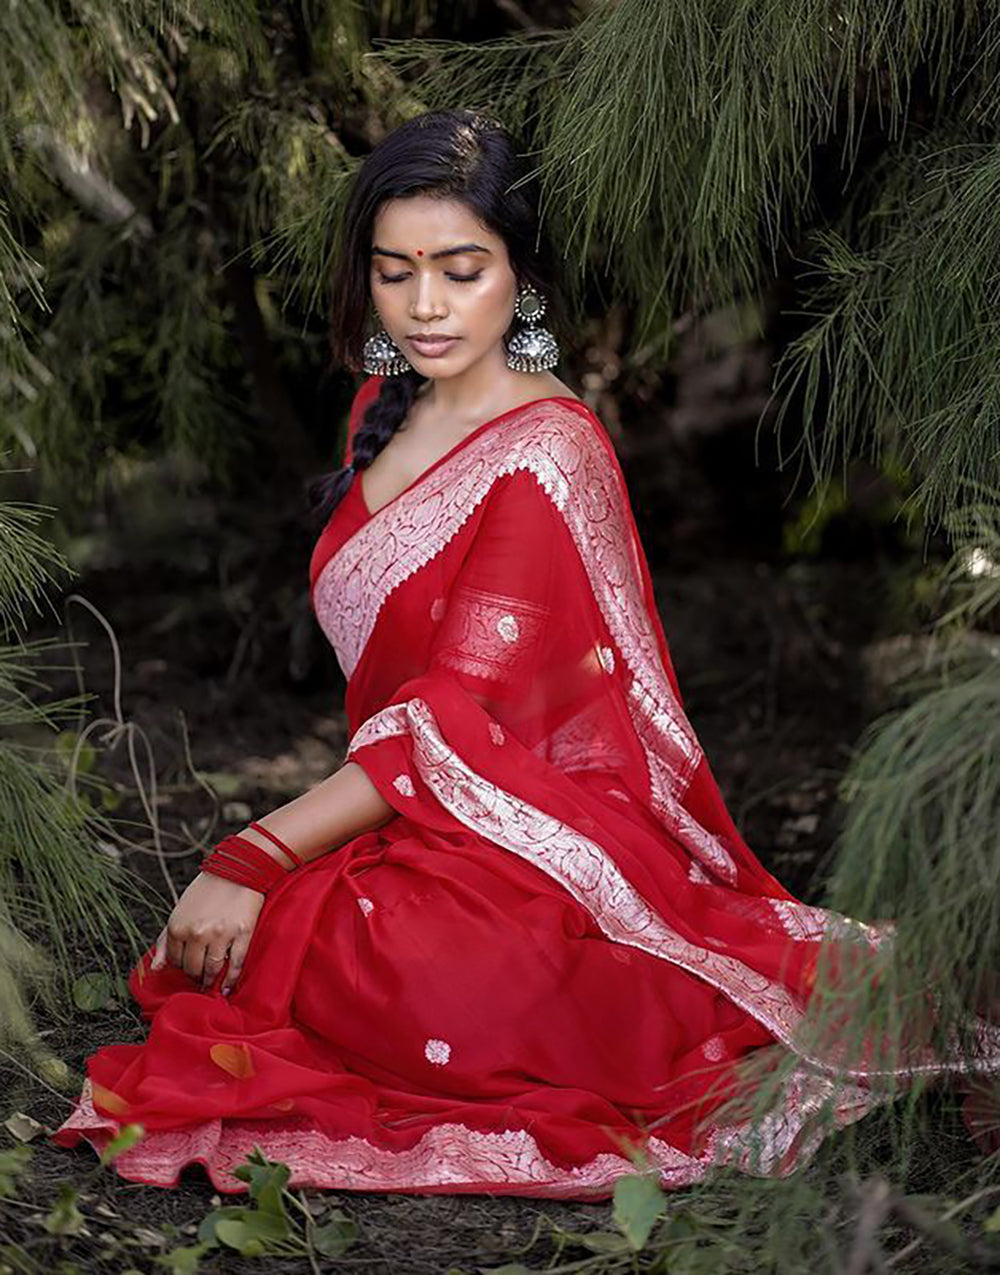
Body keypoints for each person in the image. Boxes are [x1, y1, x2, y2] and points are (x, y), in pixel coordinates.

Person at [51, 109, 1000, 1197]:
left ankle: (905, 1000)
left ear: (522, 278)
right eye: (394, 272)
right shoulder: (386, 401)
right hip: (416, 809)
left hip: (524, 829)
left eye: (461, 270)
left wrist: (252, 853)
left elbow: (450, 717)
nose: (423, 307)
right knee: (284, 954)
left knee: (349, 956)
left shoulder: (546, 452)